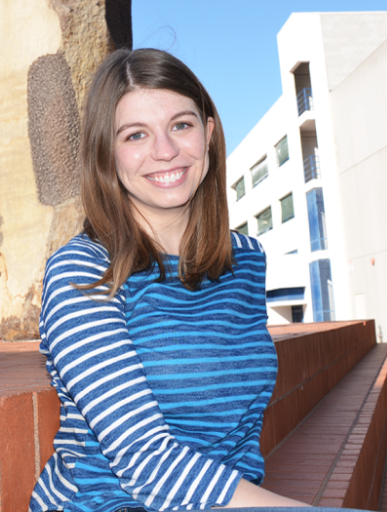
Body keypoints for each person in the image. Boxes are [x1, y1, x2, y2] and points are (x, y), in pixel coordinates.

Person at [30, 49, 310, 512]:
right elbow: (144, 461)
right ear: (106, 153)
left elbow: (238, 436)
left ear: (210, 134)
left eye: (181, 125)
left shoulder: (245, 261)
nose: (165, 151)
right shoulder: (83, 272)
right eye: (136, 134)